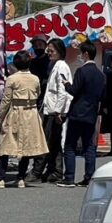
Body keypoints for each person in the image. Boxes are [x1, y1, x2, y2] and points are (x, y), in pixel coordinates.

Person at [0, 50, 48, 188]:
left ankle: (0, 178)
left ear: (16, 63)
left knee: (5, 145)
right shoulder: (35, 78)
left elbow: (6, 100)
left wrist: (0, 116)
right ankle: (21, 178)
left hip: (16, 112)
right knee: (26, 146)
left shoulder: (12, 79)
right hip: (31, 113)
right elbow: (38, 93)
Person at [60, 41, 105, 188]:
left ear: (86, 54)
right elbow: (103, 96)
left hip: (77, 113)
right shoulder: (100, 75)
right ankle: (89, 177)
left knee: (70, 146)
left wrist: (66, 83)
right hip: (91, 114)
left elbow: (73, 90)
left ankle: (69, 178)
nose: (79, 56)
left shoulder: (81, 71)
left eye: (80, 53)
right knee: (89, 147)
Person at [32, 38, 70, 183]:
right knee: (54, 142)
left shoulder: (61, 67)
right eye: (48, 50)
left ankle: (36, 172)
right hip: (50, 108)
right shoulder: (54, 65)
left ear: (60, 52)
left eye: (51, 50)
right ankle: (56, 171)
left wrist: (60, 111)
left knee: (45, 142)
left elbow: (63, 91)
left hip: (55, 110)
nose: (48, 53)